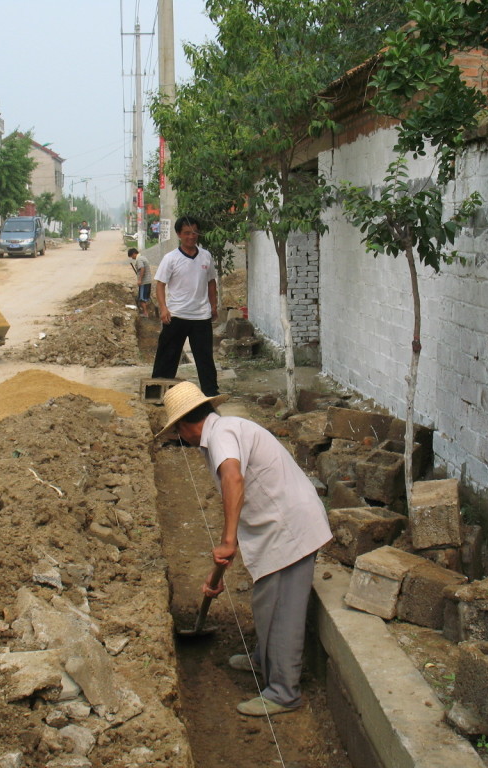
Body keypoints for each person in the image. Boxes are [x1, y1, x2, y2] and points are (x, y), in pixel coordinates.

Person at [157, 381, 332, 717]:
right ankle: (263, 661)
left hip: (289, 527)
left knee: (282, 609)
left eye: (178, 431)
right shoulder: (225, 428)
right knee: (267, 600)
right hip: (277, 524)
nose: (182, 440)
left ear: (184, 424)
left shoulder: (221, 434)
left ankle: (283, 692)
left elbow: (233, 480)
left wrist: (226, 541)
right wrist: (228, 548)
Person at [151, 215, 219, 396]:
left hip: (201, 317)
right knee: (167, 356)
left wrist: (213, 305)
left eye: (195, 232)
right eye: (187, 233)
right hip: (176, 316)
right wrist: (164, 308)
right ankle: (158, 393)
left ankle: (211, 393)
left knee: (205, 358)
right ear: (179, 234)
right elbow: (160, 284)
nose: (191, 236)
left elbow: (211, 282)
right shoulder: (170, 258)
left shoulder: (206, 256)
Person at [128, 247, 152, 317]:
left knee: (142, 299)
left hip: (144, 282)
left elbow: (142, 268)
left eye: (131, 256)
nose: (132, 258)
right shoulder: (143, 257)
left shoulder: (139, 259)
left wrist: (140, 279)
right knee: (145, 298)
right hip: (148, 281)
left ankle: (145, 313)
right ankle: (146, 312)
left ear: (134, 253)